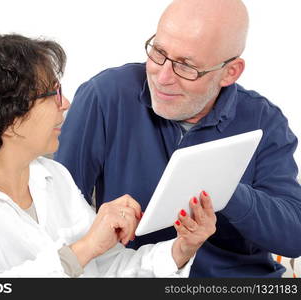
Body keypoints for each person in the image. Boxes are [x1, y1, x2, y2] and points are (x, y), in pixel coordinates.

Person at [0, 34, 216, 277]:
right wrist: (81, 251)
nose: (66, 103)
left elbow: (108, 267)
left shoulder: (52, 177)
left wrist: (181, 248)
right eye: (52, 94)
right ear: (8, 114)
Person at [55, 0, 301, 277]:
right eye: (159, 52)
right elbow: (55, 209)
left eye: (186, 66)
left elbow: (294, 236)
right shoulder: (106, 95)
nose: (162, 77)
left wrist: (225, 188)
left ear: (230, 72)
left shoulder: (264, 120)